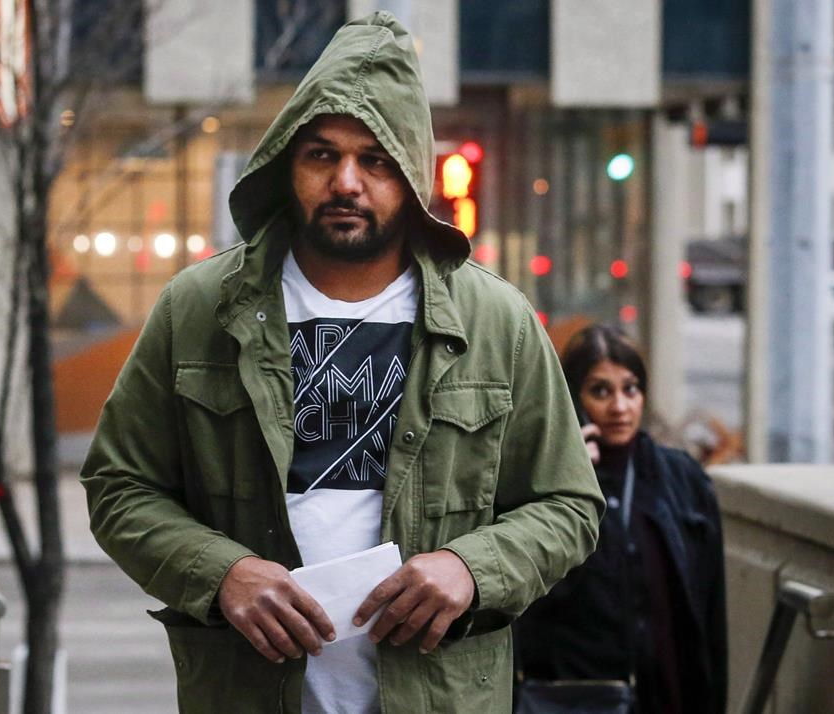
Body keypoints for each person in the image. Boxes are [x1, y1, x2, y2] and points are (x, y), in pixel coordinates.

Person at [81, 12, 603, 714]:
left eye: (376, 159)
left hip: (437, 696)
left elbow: (568, 505)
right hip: (249, 693)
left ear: (412, 174)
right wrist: (222, 573)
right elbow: (119, 486)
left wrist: (470, 569)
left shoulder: (495, 322)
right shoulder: (200, 309)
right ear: (287, 163)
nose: (347, 181)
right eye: (322, 155)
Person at [515, 325, 728, 714]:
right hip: (581, 699)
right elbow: (530, 597)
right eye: (600, 391)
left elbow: (709, 611)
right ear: (573, 399)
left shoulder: (681, 479)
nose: (619, 407)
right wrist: (565, 470)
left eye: (630, 389)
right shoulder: (544, 478)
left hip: (667, 693)